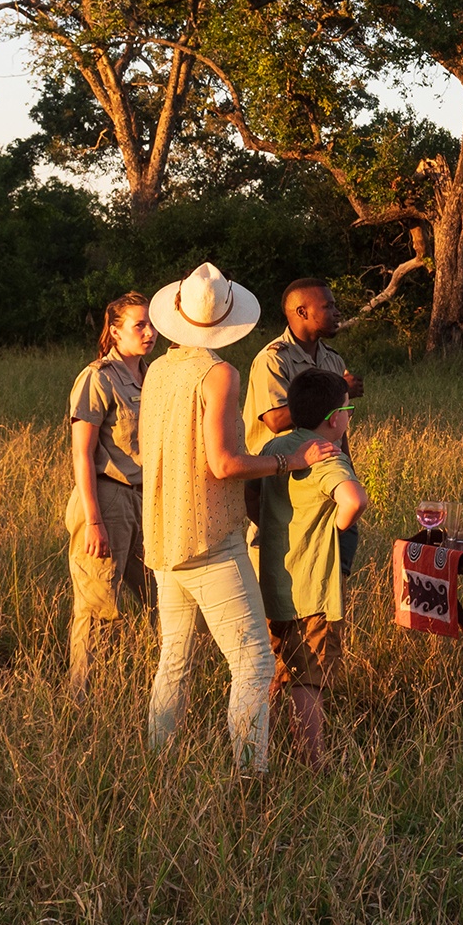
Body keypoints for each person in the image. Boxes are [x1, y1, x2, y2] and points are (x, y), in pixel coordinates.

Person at [143, 262, 339, 772]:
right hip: (209, 536)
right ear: (228, 318)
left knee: (175, 660)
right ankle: (252, 774)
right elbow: (225, 464)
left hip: (163, 534)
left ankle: (158, 767)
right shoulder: (220, 374)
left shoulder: (159, 370)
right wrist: (289, 460)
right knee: (253, 663)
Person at [253, 367, 366, 767]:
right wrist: (336, 527)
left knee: (273, 665)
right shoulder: (329, 455)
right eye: (348, 410)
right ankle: (312, 760)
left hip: (271, 580)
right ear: (335, 418)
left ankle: (259, 747)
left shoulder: (275, 448)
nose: (348, 417)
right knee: (308, 675)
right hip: (313, 586)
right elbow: (354, 500)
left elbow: (250, 494)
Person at [64, 291, 154, 697]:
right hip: (108, 496)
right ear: (115, 331)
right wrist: (94, 520)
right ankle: (80, 699)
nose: (149, 333)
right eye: (139, 325)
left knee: (164, 596)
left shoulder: (154, 375)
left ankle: (156, 688)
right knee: (98, 602)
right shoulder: (98, 377)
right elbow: (82, 452)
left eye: (152, 324)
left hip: (146, 499)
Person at [245, 278, 363, 455]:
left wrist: (347, 466)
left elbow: (337, 425)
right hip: (281, 465)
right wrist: (338, 391)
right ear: (302, 312)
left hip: (326, 462)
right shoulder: (273, 360)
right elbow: (276, 421)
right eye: (328, 306)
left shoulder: (332, 358)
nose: (337, 313)